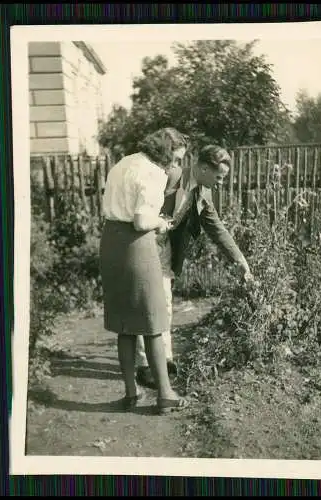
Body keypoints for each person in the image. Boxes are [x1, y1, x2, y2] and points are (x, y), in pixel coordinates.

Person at [135, 145, 254, 388]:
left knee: (164, 304)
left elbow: (217, 229)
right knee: (147, 304)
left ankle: (164, 360)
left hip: (165, 249)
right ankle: (144, 365)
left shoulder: (202, 193)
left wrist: (241, 261)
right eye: (218, 177)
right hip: (143, 242)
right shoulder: (171, 175)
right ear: (202, 168)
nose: (221, 182)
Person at [99, 127, 190, 414]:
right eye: (175, 159)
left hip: (111, 242)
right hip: (135, 244)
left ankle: (130, 394)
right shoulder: (153, 173)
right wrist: (161, 223)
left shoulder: (123, 163)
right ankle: (165, 394)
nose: (174, 166)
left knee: (125, 325)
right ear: (164, 152)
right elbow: (140, 220)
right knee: (153, 322)